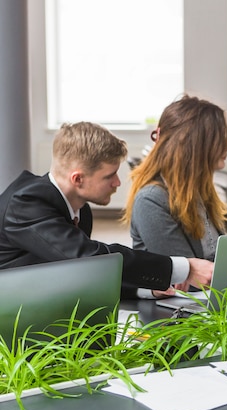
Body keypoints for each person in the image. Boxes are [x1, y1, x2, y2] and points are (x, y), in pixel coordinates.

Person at [0, 121, 213, 299]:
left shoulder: (80, 209)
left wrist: (145, 290)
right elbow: (90, 258)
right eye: (109, 175)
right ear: (78, 179)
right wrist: (183, 268)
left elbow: (82, 273)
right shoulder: (25, 203)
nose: (118, 182)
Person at [122, 95, 227, 277]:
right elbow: (190, 280)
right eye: (220, 139)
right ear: (196, 145)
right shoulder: (151, 199)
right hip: (185, 302)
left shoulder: (199, 190)